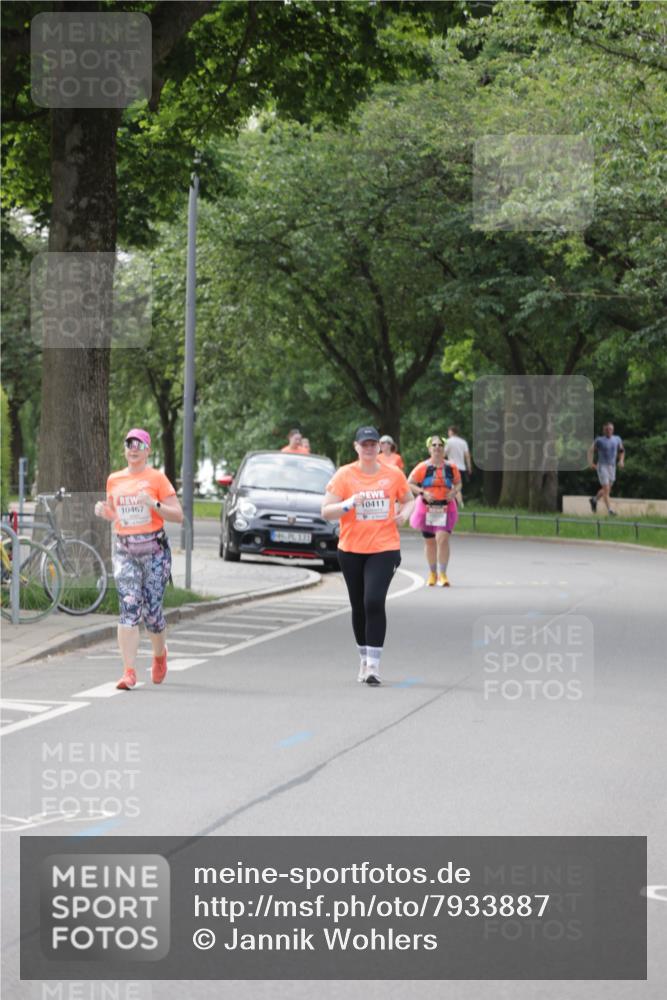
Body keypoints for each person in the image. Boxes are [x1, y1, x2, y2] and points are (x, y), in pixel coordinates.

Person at [322, 426, 414, 686]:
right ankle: (363, 657)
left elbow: (409, 499)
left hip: (384, 548)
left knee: (374, 601)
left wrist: (405, 514)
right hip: (350, 549)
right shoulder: (345, 475)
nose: (370, 448)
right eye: (365, 444)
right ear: (356, 447)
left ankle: (373, 665)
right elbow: (326, 511)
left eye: (373, 444)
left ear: (379, 447)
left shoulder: (393, 474)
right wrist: (348, 504)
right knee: (359, 605)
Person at [95, 428, 183, 690]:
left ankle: (159, 656)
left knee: (152, 613)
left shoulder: (157, 478)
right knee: (129, 608)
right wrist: (105, 511)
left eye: (139, 444)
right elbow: (117, 515)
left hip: (155, 552)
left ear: (148, 450)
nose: (133, 448)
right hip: (125, 551)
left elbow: (178, 516)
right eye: (129, 443)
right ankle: (129, 672)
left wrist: (153, 504)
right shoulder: (115, 479)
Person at [408, 435, 460, 587]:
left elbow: (458, 483)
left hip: (446, 508)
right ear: (429, 449)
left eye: (440, 445)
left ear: (444, 449)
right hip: (426, 509)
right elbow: (409, 483)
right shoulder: (422, 467)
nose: (437, 448)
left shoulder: (451, 467)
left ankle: (443, 574)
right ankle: (432, 574)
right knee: (430, 542)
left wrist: (454, 492)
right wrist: (423, 493)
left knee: (442, 539)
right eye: (434, 445)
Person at [587, 422, 625, 516]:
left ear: (613, 430)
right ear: (604, 430)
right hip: (602, 466)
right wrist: (590, 462)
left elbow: (621, 450)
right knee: (607, 489)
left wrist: (621, 461)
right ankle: (610, 511)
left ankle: (594, 500)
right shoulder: (599, 440)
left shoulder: (617, 439)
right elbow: (590, 450)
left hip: (612, 467)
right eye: (607, 429)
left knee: (606, 490)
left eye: (610, 429)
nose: (609, 431)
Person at [444, 425, 472, 509]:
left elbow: (443, 454)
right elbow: (467, 455)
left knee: (454, 487)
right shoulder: (463, 442)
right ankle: (456, 503)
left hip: (451, 466)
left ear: (451, 432)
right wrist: (469, 467)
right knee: (458, 486)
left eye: (449, 431)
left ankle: (460, 504)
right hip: (461, 467)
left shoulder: (448, 442)